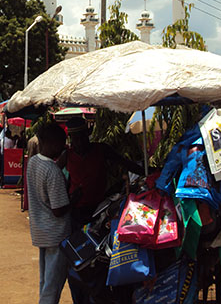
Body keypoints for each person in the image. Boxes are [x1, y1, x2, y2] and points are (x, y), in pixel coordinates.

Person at [59, 117, 142, 303]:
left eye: (81, 137)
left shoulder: (100, 149)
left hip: (98, 213)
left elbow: (125, 163)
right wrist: (67, 200)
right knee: (77, 259)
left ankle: (97, 296)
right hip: (76, 214)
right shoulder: (68, 155)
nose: (78, 142)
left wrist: (147, 171)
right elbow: (56, 179)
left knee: (98, 259)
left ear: (87, 134)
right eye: (74, 138)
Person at [27, 123, 71, 304]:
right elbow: (58, 209)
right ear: (52, 143)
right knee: (53, 286)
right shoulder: (52, 171)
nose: (63, 147)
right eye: (61, 143)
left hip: (41, 231)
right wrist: (73, 198)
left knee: (45, 281)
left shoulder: (33, 162)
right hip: (57, 233)